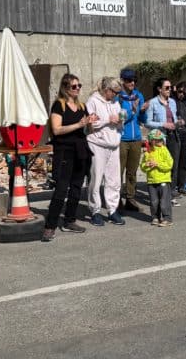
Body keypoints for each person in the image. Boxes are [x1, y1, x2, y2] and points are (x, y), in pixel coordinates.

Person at [42, 74, 96, 242]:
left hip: (81, 150)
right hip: (64, 151)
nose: (77, 88)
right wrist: (79, 124)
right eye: (74, 86)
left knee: (76, 188)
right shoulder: (59, 105)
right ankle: (50, 226)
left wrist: (90, 123)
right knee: (61, 189)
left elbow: (89, 132)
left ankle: (69, 220)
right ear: (65, 88)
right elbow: (56, 130)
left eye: (79, 85)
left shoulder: (82, 106)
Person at [86, 77, 125, 226]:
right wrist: (108, 119)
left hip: (114, 144)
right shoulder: (92, 101)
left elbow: (119, 122)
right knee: (96, 179)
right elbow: (91, 123)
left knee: (114, 180)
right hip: (98, 144)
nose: (116, 95)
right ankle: (95, 211)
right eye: (115, 92)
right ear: (107, 90)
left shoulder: (115, 102)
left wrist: (120, 120)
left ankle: (112, 210)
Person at [145, 78, 180, 205]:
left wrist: (178, 122)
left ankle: (170, 195)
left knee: (172, 165)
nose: (170, 90)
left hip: (173, 136)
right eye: (167, 87)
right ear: (159, 89)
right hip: (160, 138)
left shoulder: (173, 102)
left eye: (170, 87)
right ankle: (160, 196)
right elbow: (147, 122)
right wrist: (163, 124)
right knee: (160, 165)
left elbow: (173, 118)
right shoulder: (152, 103)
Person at [116, 68, 145, 212]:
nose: (132, 83)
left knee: (132, 171)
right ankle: (116, 200)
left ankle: (130, 198)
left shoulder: (138, 95)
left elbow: (142, 119)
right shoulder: (118, 98)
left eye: (134, 80)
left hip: (136, 139)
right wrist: (132, 111)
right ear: (122, 81)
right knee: (118, 171)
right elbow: (119, 120)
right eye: (129, 80)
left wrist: (143, 111)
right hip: (122, 138)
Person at [140, 129, 174, 226]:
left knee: (164, 201)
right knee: (154, 201)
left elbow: (169, 164)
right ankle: (155, 217)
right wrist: (146, 165)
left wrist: (157, 164)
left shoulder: (164, 150)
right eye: (157, 140)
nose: (160, 141)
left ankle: (167, 218)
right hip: (151, 181)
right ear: (151, 140)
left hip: (164, 180)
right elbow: (142, 167)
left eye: (161, 139)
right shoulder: (148, 152)